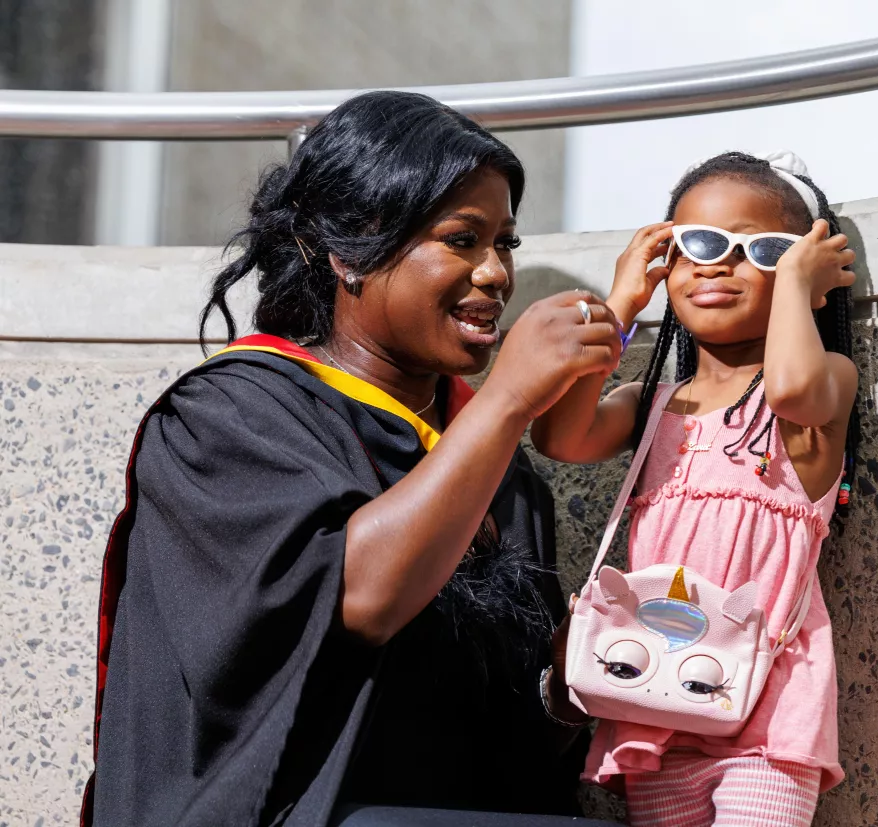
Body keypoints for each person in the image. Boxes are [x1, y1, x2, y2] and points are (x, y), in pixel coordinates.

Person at [82, 91, 624, 827]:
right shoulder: (230, 420)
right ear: (349, 252)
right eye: (463, 239)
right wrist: (506, 403)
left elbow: (515, 756)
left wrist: (571, 683)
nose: (497, 272)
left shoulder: (505, 473)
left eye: (506, 243)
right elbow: (359, 598)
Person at [531, 151, 860, 827]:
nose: (718, 265)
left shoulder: (824, 380)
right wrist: (622, 302)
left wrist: (797, 287)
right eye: (699, 244)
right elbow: (558, 437)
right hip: (656, 697)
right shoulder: (651, 403)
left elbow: (793, 387)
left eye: (762, 251)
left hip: (767, 714)